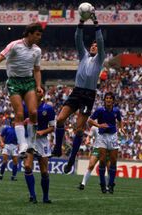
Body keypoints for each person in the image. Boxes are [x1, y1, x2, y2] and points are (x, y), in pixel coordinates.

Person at [0, 23, 44, 159]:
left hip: (28, 82)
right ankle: (23, 145)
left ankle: (31, 144)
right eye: (37, 34)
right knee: (19, 114)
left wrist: (38, 86)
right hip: (14, 82)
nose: (39, 37)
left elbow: (37, 70)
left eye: (40, 35)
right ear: (29, 33)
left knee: (33, 112)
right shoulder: (14, 45)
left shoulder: (37, 51)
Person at [52, 10, 105, 175]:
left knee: (79, 129)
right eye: (92, 45)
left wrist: (96, 23)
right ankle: (57, 148)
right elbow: (77, 39)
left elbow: (101, 42)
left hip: (88, 95)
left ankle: (71, 159)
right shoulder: (83, 56)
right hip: (77, 92)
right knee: (60, 119)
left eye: (96, 45)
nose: (94, 46)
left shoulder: (100, 58)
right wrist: (81, 23)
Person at [87, 92, 124, 194]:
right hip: (102, 137)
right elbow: (90, 120)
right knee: (102, 161)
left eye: (110, 98)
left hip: (113, 136)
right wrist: (98, 125)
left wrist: (121, 128)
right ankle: (103, 184)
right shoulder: (100, 110)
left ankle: (111, 184)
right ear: (104, 100)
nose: (108, 100)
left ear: (113, 100)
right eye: (107, 98)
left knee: (113, 161)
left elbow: (120, 120)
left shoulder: (116, 110)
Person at [24, 87, 55, 203]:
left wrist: (42, 132)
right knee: (27, 166)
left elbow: (52, 127)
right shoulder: (26, 107)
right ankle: (32, 195)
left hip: (42, 141)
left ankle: (45, 197)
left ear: (43, 94)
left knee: (44, 171)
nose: (36, 93)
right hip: (30, 141)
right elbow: (19, 122)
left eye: (39, 91)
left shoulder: (48, 108)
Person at [78, 126, 110, 190]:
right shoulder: (94, 127)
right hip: (97, 149)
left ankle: (107, 186)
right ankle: (83, 184)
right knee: (91, 165)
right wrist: (87, 140)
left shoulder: (110, 125)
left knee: (109, 168)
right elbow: (89, 136)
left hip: (107, 149)